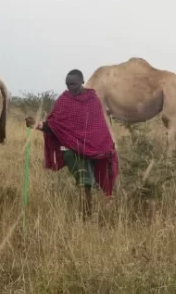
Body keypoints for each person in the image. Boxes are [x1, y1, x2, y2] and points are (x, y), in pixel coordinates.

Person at [25, 69, 118, 217]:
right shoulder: (64, 100)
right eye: (68, 84)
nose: (70, 87)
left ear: (82, 81)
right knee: (84, 182)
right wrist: (37, 125)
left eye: (73, 84)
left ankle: (100, 215)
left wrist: (105, 146)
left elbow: (98, 127)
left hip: (93, 150)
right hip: (70, 150)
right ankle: (85, 217)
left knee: (99, 182)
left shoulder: (92, 100)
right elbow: (55, 125)